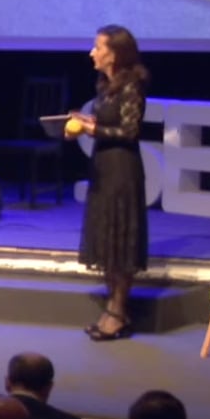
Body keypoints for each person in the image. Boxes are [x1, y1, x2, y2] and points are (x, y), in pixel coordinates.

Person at [66, 24, 149, 340]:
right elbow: (107, 123)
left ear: (114, 53)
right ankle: (114, 308)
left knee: (121, 239)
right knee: (105, 237)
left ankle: (118, 311)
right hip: (103, 166)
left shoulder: (132, 86)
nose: (92, 53)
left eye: (98, 47)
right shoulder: (106, 85)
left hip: (122, 169)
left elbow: (129, 132)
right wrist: (87, 122)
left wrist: (90, 130)